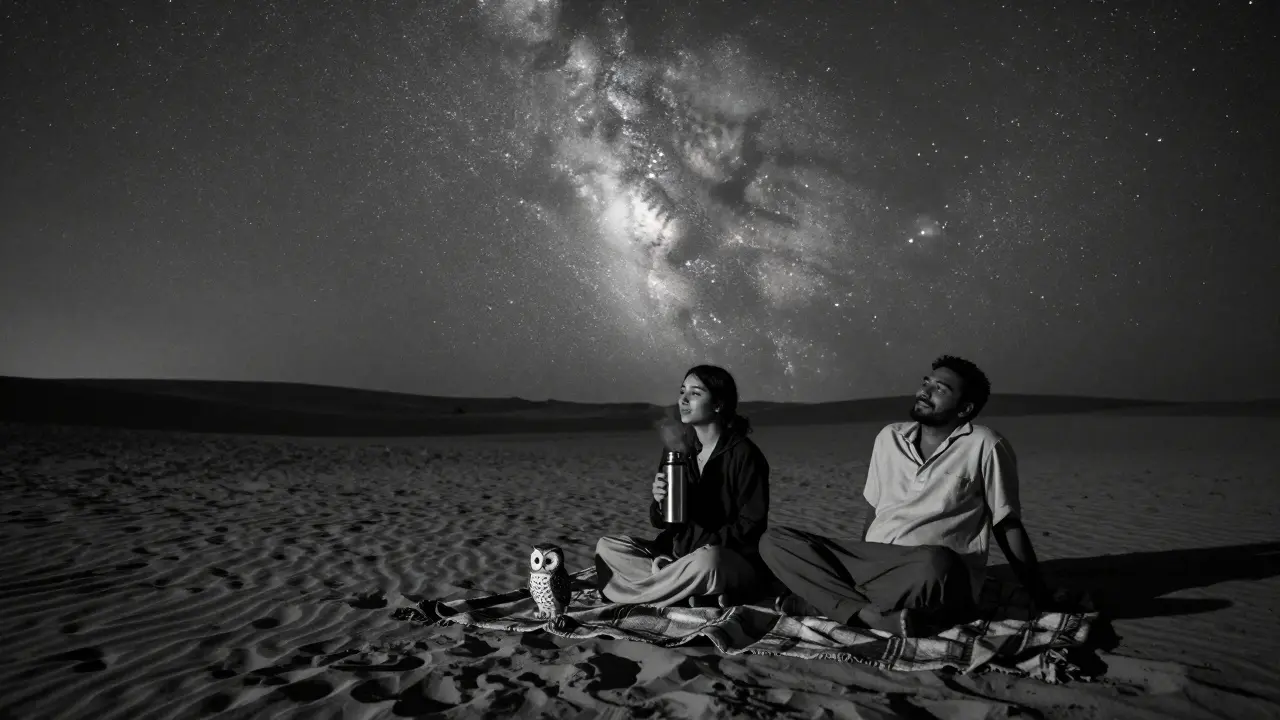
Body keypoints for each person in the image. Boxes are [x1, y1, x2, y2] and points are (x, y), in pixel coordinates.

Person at [759, 355, 1053, 636]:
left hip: (931, 572)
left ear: (964, 409)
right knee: (774, 541)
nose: (925, 392)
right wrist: (864, 562)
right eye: (926, 382)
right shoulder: (889, 437)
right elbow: (873, 509)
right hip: (878, 561)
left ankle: (824, 602)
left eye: (940, 389)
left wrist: (1039, 593)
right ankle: (866, 612)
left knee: (936, 563)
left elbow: (1007, 524)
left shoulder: (985, 445)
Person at [594, 365, 771, 608]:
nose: (684, 400)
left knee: (709, 562)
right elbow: (663, 523)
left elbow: (751, 527)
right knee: (608, 547)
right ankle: (683, 592)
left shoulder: (744, 455)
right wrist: (658, 502)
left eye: (695, 393)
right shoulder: (677, 449)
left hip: (724, 557)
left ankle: (651, 590)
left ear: (718, 404)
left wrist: (696, 547)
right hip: (676, 558)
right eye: (682, 391)